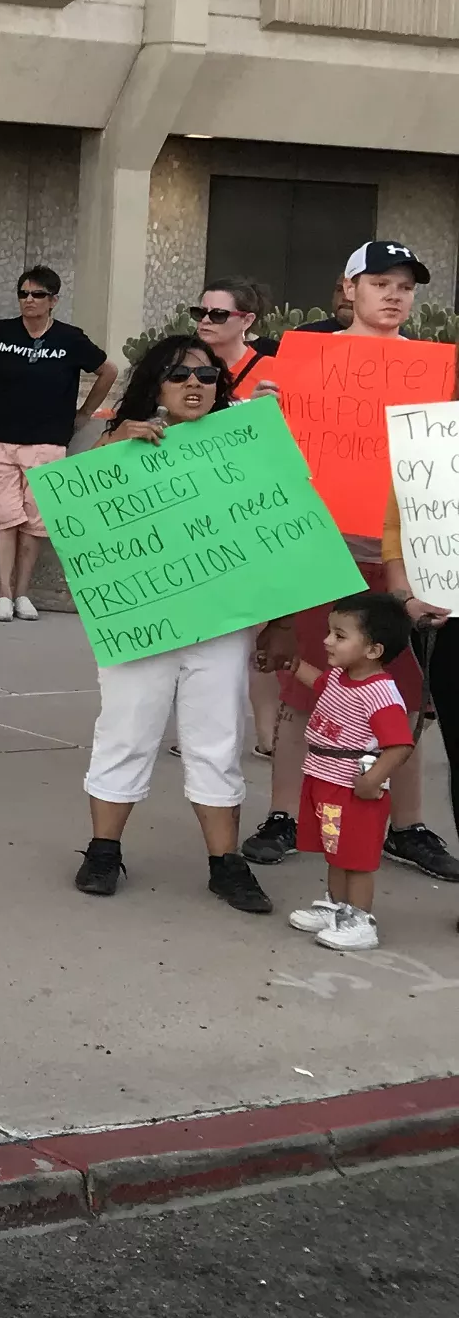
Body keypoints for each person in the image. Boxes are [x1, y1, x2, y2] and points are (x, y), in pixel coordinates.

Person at [240, 241, 459, 880]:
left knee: (404, 697)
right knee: (304, 687)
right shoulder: (299, 361)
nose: (394, 295)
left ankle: (408, 826)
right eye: (380, 282)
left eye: (406, 286)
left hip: (404, 555)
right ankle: (285, 813)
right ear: (349, 288)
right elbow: (251, 445)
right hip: (317, 545)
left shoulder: (435, 372)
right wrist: (264, 413)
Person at [69, 337, 274, 915]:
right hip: (142, 620)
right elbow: (71, 506)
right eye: (179, 373)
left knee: (217, 740)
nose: (194, 384)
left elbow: (276, 531)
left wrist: (278, 620)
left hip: (220, 622)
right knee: (125, 732)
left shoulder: (244, 442)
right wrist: (112, 445)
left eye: (207, 375)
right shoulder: (123, 440)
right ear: (155, 383)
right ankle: (103, 850)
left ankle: (226, 864)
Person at [0, 266, 115, 621]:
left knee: (34, 521)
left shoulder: (71, 339)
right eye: (24, 294)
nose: (29, 300)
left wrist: (85, 413)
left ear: (53, 300)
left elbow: (108, 371)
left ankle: (24, 594)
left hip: (48, 440)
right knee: (4, 517)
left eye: (38, 295)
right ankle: (3, 594)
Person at [278, 592, 420, 951]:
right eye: (330, 632)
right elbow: (320, 683)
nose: (327, 641)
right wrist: (292, 664)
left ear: (373, 650)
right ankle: (336, 907)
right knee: (336, 851)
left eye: (340, 636)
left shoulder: (380, 693)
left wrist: (372, 780)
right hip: (325, 780)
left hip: (353, 788)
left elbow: (400, 743)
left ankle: (360, 920)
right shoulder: (342, 677)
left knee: (356, 859)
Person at [189, 276, 276, 394]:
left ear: (247, 321)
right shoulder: (183, 365)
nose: (205, 320)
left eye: (219, 314)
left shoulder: (272, 370)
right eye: (200, 313)